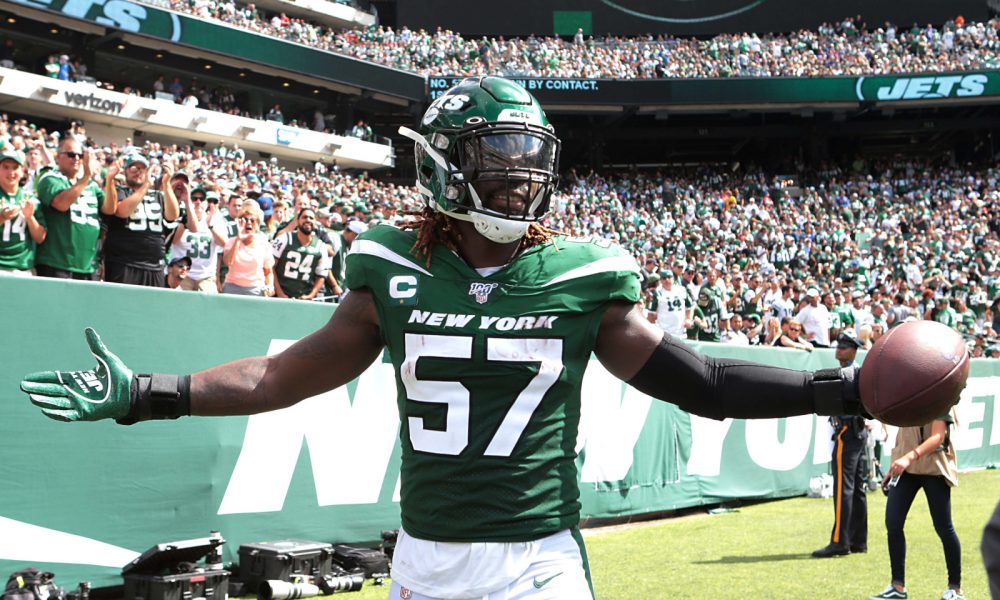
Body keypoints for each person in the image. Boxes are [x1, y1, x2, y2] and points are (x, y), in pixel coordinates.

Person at [20, 77, 882, 600]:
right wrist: (150, 394)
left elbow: (701, 383)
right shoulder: (390, 266)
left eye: (528, 157)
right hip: (425, 555)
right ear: (440, 164)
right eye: (496, 155)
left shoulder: (583, 276)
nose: (518, 177)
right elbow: (281, 376)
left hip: (538, 558)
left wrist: (838, 391)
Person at [869, 406, 963, 600]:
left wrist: (908, 457)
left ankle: (955, 589)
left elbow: (937, 436)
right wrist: (895, 465)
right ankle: (897, 586)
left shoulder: (940, 394)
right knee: (893, 523)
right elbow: (904, 437)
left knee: (944, 527)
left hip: (934, 468)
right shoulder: (909, 394)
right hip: (907, 469)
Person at [813, 330, 867, 558]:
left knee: (843, 488)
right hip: (858, 432)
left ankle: (839, 541)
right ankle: (858, 541)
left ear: (854, 351)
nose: (839, 350)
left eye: (844, 347)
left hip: (847, 431)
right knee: (856, 488)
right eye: (838, 346)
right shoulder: (858, 372)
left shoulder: (848, 373)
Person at [101, 153, 179, 287]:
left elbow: (173, 215)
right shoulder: (120, 191)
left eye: (142, 168)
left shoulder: (158, 196)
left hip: (153, 266)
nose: (138, 172)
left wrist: (166, 184)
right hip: (124, 264)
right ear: (125, 171)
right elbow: (121, 211)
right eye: (133, 168)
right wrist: (146, 186)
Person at [34, 137, 103, 280]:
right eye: (71, 155)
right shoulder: (49, 178)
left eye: (80, 155)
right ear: (58, 157)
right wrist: (86, 177)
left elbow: (109, 209)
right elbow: (61, 204)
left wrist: (111, 180)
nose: (76, 158)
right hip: (56, 264)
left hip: (87, 266)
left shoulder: (90, 184)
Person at [169, 187, 228, 292]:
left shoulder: (217, 220)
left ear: (207, 203)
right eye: (194, 198)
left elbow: (223, 243)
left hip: (206, 276)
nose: (198, 202)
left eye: (201, 199)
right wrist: (185, 222)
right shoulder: (180, 218)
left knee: (208, 306)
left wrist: (211, 226)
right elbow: (173, 241)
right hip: (182, 275)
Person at [0, 147, 46, 274]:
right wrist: (2, 218)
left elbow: (40, 237)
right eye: (5, 167)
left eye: (15, 167)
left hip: (23, 266)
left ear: (23, 171)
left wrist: (30, 217)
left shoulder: (30, 199)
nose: (11, 172)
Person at [271, 207, 330, 300]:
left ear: (315, 222)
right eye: (304, 217)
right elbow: (270, 267)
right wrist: (280, 293)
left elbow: (322, 275)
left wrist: (311, 295)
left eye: (311, 218)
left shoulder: (320, 246)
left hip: (303, 297)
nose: (308, 220)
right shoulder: (284, 239)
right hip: (280, 295)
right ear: (297, 221)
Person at [221, 202, 273, 296]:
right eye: (244, 220)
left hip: (255, 289)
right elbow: (228, 262)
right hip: (232, 287)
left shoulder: (264, 244)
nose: (248, 223)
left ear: (257, 225)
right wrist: (238, 239)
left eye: (252, 221)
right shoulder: (231, 241)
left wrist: (270, 285)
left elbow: (268, 271)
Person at [647, 270, 691, 338]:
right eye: (664, 278)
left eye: (669, 277)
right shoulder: (657, 294)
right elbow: (651, 314)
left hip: (681, 332)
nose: (667, 280)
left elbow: (689, 307)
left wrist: (688, 319)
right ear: (660, 281)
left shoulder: (681, 290)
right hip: (664, 333)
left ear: (673, 278)